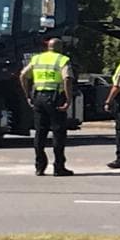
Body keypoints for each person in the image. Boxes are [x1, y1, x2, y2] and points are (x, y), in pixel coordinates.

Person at [19, 38, 75, 176]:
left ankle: (39, 166)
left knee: (40, 132)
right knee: (58, 132)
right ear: (60, 48)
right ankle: (59, 167)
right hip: (55, 97)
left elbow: (22, 75)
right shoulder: (62, 60)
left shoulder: (37, 59)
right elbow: (67, 78)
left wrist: (27, 95)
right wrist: (68, 99)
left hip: (38, 97)